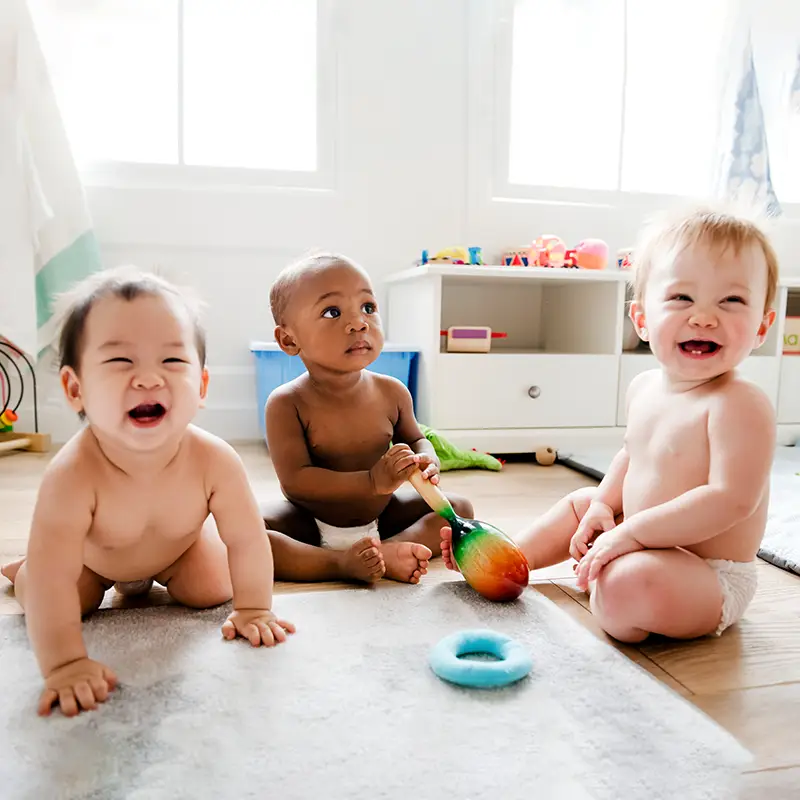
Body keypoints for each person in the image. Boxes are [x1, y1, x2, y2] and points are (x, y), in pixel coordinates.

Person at [443, 206, 779, 641]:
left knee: (627, 582)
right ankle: (505, 562)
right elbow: (631, 455)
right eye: (681, 298)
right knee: (581, 502)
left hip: (707, 575)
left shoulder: (740, 404)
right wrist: (604, 506)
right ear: (641, 319)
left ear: (762, 326)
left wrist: (634, 533)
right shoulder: (644, 387)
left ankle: (611, 584)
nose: (703, 317)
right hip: (644, 540)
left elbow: (731, 499)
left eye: (731, 300)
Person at [2, 266, 294, 718]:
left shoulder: (215, 460)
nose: (148, 379)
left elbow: (247, 539)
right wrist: (64, 664)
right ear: (75, 389)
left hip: (177, 552)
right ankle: (28, 565)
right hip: (91, 561)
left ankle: (171, 573)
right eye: (120, 361)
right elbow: (53, 585)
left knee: (213, 586)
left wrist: (254, 608)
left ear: (200, 386)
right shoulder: (72, 476)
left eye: (172, 361)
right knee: (56, 591)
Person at [262, 252, 473, 584]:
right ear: (289, 339)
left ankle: (387, 550)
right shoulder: (286, 403)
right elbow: (295, 480)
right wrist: (372, 481)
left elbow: (415, 438)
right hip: (310, 521)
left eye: (368, 308)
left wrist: (427, 459)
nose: (359, 322)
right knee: (248, 534)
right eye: (332, 312)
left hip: (381, 512)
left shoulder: (392, 392)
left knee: (459, 510)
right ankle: (337, 563)